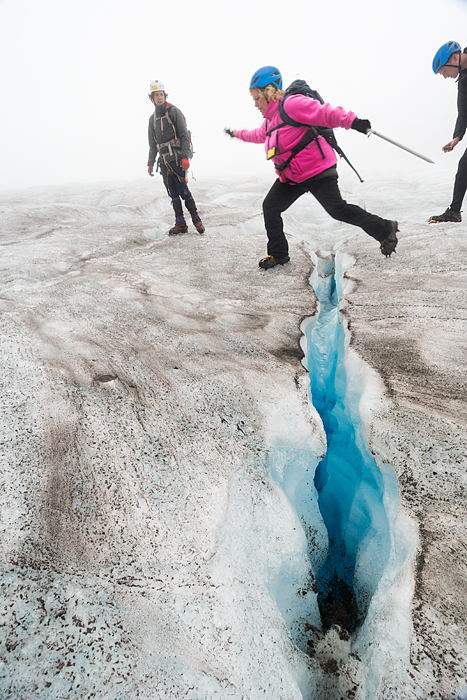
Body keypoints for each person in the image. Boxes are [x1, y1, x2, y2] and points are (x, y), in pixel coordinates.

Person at [226, 66, 398, 268]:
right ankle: (279, 255)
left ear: (269, 92)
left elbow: (325, 113)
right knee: (270, 206)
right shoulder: (270, 121)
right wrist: (237, 134)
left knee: (338, 210)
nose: (255, 104)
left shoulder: (291, 105)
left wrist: (354, 122)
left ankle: (386, 229)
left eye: (257, 98)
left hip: (317, 171)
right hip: (292, 177)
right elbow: (256, 135)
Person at [147, 80, 204, 235]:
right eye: (156, 95)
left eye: (161, 94)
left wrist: (185, 157)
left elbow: (184, 136)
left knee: (183, 189)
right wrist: (150, 163)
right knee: (172, 192)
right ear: (152, 98)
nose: (159, 97)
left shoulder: (173, 111)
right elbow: (153, 145)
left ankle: (196, 219)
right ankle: (180, 223)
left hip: (177, 158)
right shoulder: (152, 120)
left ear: (165, 95)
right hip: (164, 161)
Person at [430, 41, 467, 223]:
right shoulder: (463, 80)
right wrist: (456, 138)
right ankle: (454, 212)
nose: (445, 77)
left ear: (454, 58)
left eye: (444, 71)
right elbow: (463, 112)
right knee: (464, 168)